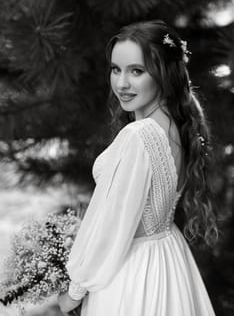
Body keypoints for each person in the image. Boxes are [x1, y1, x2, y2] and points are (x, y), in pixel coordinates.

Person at [58, 20, 218, 316]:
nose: (121, 83)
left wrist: (74, 291)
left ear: (163, 75)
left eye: (136, 71)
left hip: (132, 272)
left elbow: (110, 227)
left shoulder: (139, 136)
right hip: (166, 258)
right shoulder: (177, 126)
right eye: (115, 69)